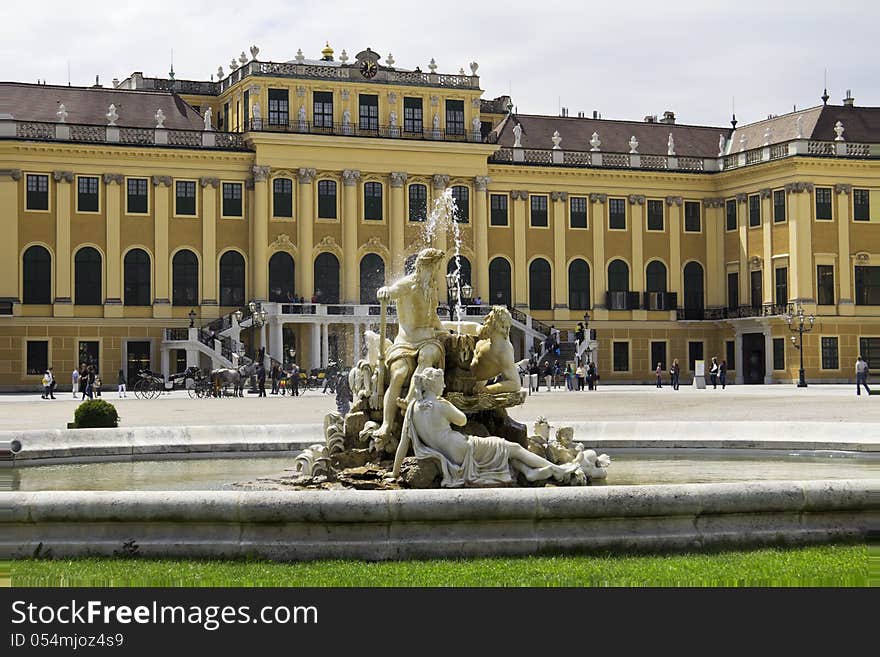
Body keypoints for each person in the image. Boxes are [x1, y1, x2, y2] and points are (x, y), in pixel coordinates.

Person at [392, 367, 582, 486]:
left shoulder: (412, 408)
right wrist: (449, 403)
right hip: (463, 449)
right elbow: (462, 421)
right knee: (512, 447)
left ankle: (529, 472)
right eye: (441, 383)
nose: (443, 386)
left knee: (503, 452)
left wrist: (394, 472)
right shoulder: (441, 405)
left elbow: (402, 444)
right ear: (433, 385)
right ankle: (557, 470)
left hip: (450, 453)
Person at [371, 248, 446, 447]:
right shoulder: (407, 284)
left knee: (426, 357)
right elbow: (393, 290)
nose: (436, 272)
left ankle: (410, 400)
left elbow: (433, 315)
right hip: (405, 341)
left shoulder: (432, 286)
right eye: (434, 268)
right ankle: (386, 424)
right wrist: (385, 291)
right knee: (398, 374)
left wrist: (444, 331)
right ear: (423, 266)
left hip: (429, 339)